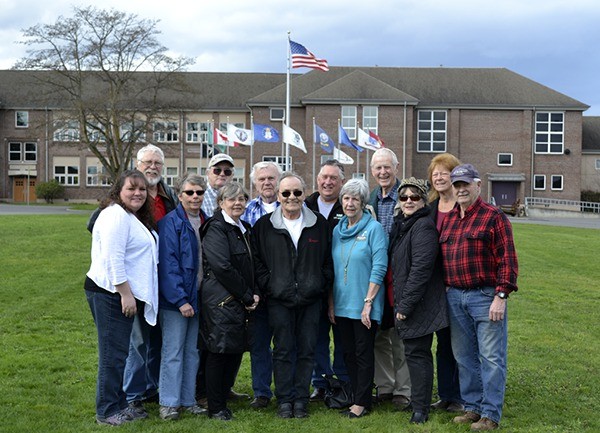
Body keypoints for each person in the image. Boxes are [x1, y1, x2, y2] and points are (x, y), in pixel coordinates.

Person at [440, 163, 519, 431]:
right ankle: (472, 407)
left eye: (466, 184)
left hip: (485, 296)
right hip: (455, 297)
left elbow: (508, 258)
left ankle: (491, 414)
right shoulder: (450, 219)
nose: (461, 189)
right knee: (464, 356)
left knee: (491, 357)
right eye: (457, 185)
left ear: (478, 185)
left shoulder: (494, 217)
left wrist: (501, 294)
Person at [253, 172, 334, 419]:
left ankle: (301, 399)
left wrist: (318, 284)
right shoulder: (264, 226)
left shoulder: (318, 224)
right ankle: (285, 400)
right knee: (283, 350)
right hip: (279, 300)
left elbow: (328, 260)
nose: (291, 197)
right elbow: (257, 262)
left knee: (307, 350)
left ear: (304, 194)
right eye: (286, 193)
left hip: (310, 300)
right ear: (278, 196)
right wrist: (271, 285)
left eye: (297, 192)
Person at [85, 169, 158, 426]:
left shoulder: (130, 216)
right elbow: (113, 259)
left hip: (119, 294)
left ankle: (120, 404)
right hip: (110, 293)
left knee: (119, 354)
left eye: (142, 189)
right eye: (131, 188)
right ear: (119, 191)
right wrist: (125, 294)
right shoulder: (115, 215)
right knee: (112, 355)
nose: (137, 193)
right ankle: (106, 411)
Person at [389, 177, 449, 424]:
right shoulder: (402, 224)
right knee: (414, 352)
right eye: (404, 197)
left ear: (424, 200)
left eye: (415, 197)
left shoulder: (422, 226)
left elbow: (421, 270)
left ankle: (420, 409)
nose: (409, 201)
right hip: (407, 300)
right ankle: (418, 401)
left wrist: (406, 305)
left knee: (417, 353)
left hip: (419, 303)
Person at [124, 144, 178, 418]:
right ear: (138, 163)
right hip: (138, 280)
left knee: (157, 339)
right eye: (148, 162)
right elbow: (97, 222)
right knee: (138, 341)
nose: (153, 167)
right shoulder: (130, 194)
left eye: (157, 162)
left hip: (163, 279)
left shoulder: (169, 195)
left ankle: (150, 388)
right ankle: (132, 396)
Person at [200, 182, 260, 421]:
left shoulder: (243, 227)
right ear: (221, 202)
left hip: (239, 299)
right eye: (231, 199)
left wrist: (254, 292)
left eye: (242, 199)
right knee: (219, 351)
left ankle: (224, 395)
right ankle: (215, 407)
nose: (237, 203)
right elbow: (222, 267)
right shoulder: (216, 228)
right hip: (221, 300)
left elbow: (252, 264)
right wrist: (247, 295)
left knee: (233, 350)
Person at [329, 179, 388, 418]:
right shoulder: (337, 230)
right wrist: (331, 303)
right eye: (346, 198)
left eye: (355, 199)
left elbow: (380, 267)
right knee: (348, 354)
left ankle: (361, 402)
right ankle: (357, 397)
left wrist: (368, 302)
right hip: (341, 304)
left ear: (363, 203)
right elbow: (332, 269)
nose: (350, 203)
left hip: (365, 304)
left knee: (363, 354)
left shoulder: (373, 229)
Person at [157, 173, 208, 420]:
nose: (195, 197)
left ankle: (188, 400)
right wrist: (180, 300)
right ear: (180, 195)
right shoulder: (170, 223)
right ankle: (168, 402)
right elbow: (168, 265)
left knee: (191, 352)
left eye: (199, 192)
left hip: (197, 298)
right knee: (173, 352)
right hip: (176, 301)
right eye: (190, 192)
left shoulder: (206, 220)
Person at [367, 148, 411, 409]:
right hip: (376, 275)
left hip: (400, 274)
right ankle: (385, 386)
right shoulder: (371, 198)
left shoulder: (407, 196)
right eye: (378, 168)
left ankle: (403, 390)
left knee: (400, 335)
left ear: (396, 168)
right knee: (380, 334)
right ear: (373, 171)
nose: (383, 172)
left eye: (387, 167)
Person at [304, 159, 349, 401]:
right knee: (316, 335)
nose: (328, 182)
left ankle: (341, 381)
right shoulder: (305, 205)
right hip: (314, 281)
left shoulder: (349, 205)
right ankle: (320, 383)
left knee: (341, 334)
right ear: (317, 179)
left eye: (333, 178)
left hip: (342, 282)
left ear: (342, 182)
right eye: (324, 177)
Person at [242, 161, 282, 409]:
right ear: (255, 183)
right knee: (259, 344)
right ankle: (262, 392)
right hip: (257, 289)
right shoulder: (245, 211)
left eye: (271, 178)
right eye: (262, 179)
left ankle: (286, 388)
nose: (267, 182)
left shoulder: (291, 205)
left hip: (284, 288)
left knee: (286, 343)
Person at [427, 153, 464, 413]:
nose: (439, 177)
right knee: (442, 342)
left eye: (445, 172)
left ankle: (464, 395)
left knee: (461, 343)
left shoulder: (462, 208)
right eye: (435, 173)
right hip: (435, 286)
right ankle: (447, 395)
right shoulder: (428, 209)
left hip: (459, 284)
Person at [202, 153, 235, 217]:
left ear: (232, 175)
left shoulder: (238, 198)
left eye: (227, 171)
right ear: (207, 173)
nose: (222, 174)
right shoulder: (199, 195)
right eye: (217, 170)